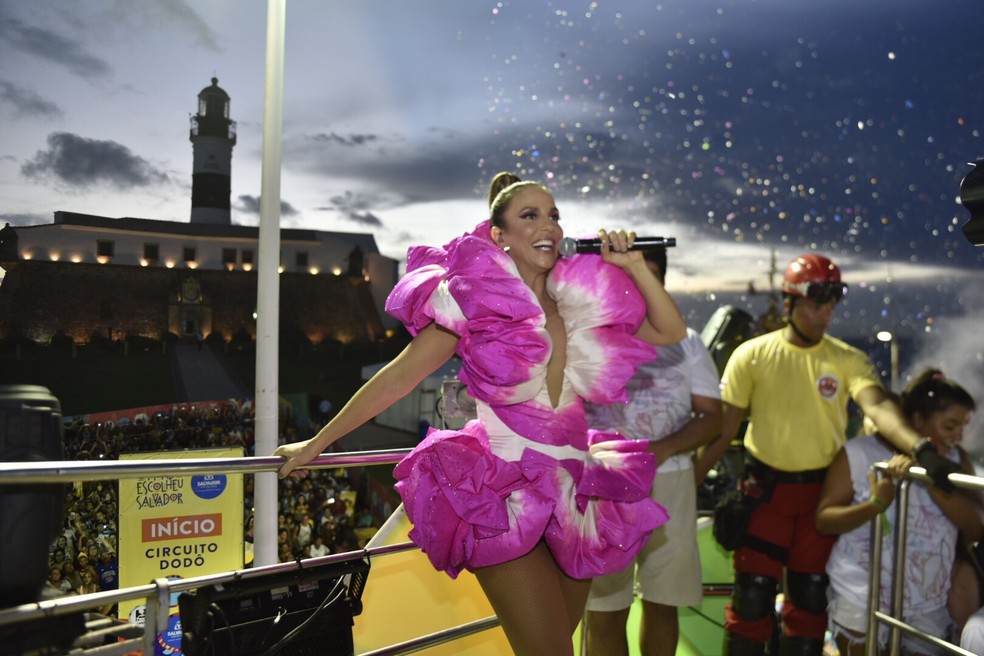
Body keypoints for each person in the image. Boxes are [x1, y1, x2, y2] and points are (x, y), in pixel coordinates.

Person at [274, 171, 687, 656]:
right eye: (529, 215)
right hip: (504, 496)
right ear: (499, 235)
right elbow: (398, 377)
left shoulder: (580, 303)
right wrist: (316, 443)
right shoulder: (474, 303)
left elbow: (670, 332)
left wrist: (634, 265)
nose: (548, 225)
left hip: (577, 496)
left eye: (553, 215)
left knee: (561, 644)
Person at [694, 253, 963, 656]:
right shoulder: (752, 355)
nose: (826, 315)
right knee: (751, 598)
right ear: (789, 302)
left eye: (831, 306)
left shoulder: (847, 359)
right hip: (765, 493)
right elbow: (723, 430)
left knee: (809, 600)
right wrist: (687, 485)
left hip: (819, 495)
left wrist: (921, 449)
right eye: (817, 305)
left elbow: (877, 406)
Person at [583, 246, 723, 656]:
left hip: (670, 479)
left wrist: (661, 450)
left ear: (660, 280)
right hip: (603, 483)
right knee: (604, 610)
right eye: (627, 273)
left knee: (664, 602)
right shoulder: (587, 337)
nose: (637, 283)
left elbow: (712, 417)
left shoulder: (688, 343)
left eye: (647, 274)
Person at [817, 369, 983, 655]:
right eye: (950, 426)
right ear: (917, 420)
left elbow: (977, 527)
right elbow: (824, 520)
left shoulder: (956, 461)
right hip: (861, 594)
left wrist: (930, 478)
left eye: (963, 427)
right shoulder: (860, 452)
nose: (958, 436)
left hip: (926, 604)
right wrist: (875, 504)